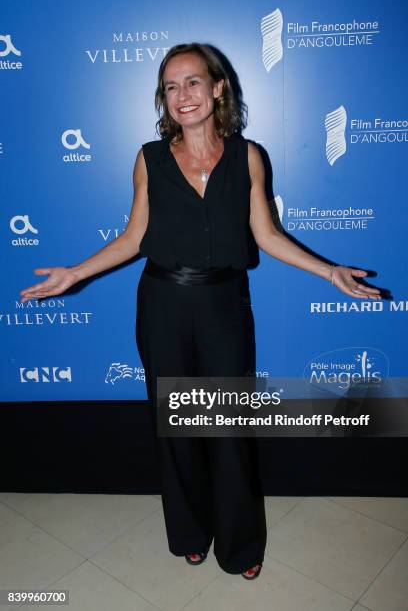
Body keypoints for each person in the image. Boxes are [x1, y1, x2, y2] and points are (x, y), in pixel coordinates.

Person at [19, 42, 382, 580]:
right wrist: (75, 273)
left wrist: (329, 272)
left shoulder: (248, 155)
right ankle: (189, 532)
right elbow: (134, 236)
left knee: (229, 428)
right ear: (163, 100)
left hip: (223, 304)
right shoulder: (150, 158)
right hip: (163, 302)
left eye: (192, 82)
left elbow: (266, 234)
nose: (182, 95)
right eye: (171, 86)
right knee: (178, 426)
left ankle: (240, 546)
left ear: (217, 88)